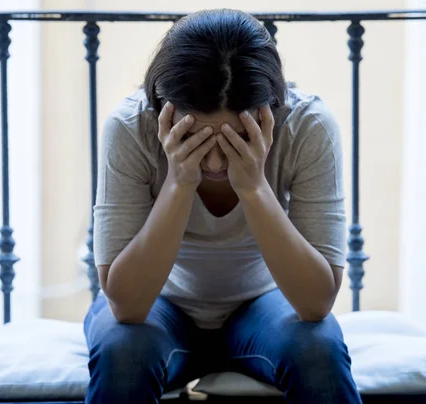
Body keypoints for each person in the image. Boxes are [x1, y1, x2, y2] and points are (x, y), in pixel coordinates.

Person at [83, 8, 361, 404]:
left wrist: (253, 187)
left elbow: (316, 303)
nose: (214, 164)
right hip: (161, 303)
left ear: (270, 112)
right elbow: (127, 306)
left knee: (318, 350)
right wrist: (180, 182)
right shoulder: (131, 128)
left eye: (236, 141)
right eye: (194, 139)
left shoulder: (307, 126)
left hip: (262, 303)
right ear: (165, 109)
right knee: (122, 351)